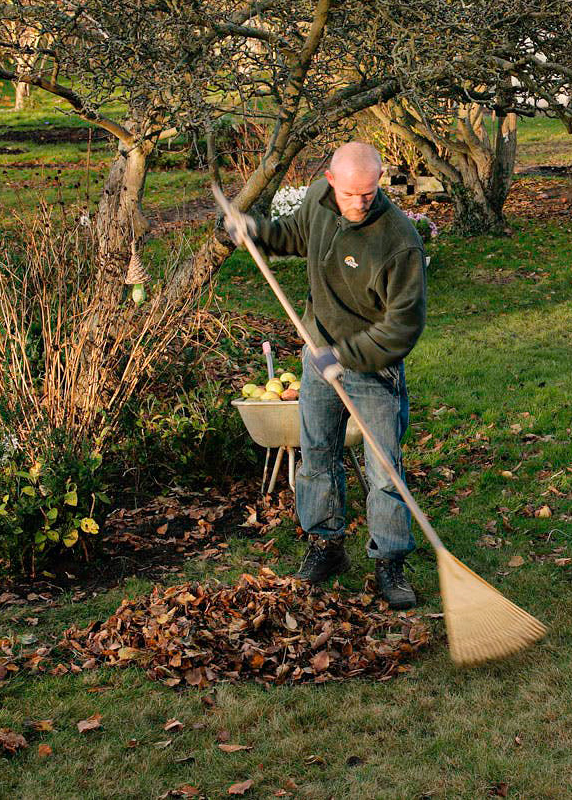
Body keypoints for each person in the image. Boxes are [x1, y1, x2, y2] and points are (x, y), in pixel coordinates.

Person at [225, 142, 427, 609]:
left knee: (384, 471)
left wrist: (346, 356)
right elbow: (293, 235)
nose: (360, 203)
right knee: (317, 457)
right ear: (332, 181)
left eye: (369, 193)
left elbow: (403, 326)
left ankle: (390, 561)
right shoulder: (319, 199)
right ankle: (326, 546)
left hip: (372, 366)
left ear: (380, 182)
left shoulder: (399, 241)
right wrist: (254, 230)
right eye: (350, 193)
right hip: (318, 353)